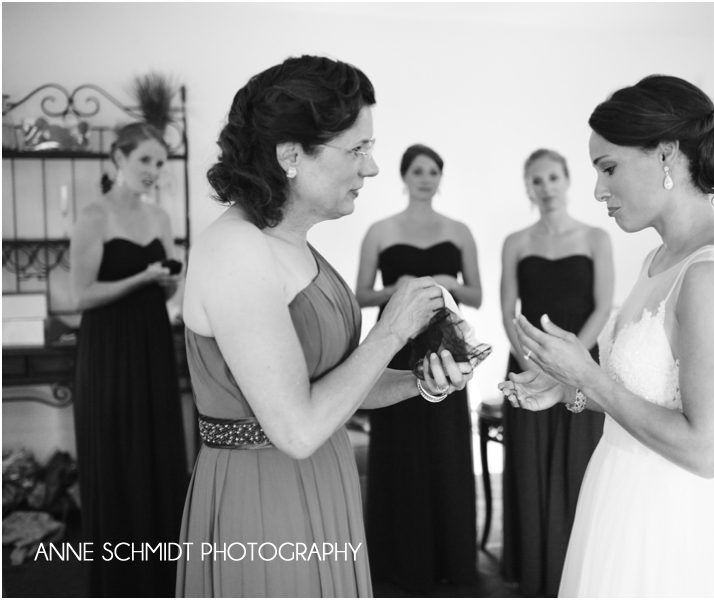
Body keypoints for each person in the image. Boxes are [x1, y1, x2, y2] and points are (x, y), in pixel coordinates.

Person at [176, 56, 472, 598]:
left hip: (324, 476)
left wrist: (417, 382)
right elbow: (297, 428)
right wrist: (393, 331)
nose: (373, 167)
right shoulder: (236, 250)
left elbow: (330, 388)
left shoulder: (291, 241)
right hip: (265, 499)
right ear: (291, 154)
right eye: (357, 149)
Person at [500, 75, 714, 597]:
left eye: (609, 168)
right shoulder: (657, 260)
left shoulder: (712, 274)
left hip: (669, 517)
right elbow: (646, 396)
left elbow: (705, 449)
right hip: (618, 488)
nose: (598, 189)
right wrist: (568, 387)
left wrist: (590, 379)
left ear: (666, 155)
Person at [355, 143, 481, 593]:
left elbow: (477, 295)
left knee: (446, 450)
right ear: (404, 177)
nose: (426, 178)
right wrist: (399, 288)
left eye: (433, 171)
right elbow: (360, 295)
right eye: (418, 170)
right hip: (395, 348)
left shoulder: (459, 231)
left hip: (446, 348)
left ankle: (452, 562)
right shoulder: (380, 231)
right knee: (399, 449)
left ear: (439, 178)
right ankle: (397, 562)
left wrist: (448, 284)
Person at [70, 121, 188, 597]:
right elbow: (82, 294)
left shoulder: (160, 217)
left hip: (152, 341)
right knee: (117, 449)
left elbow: (171, 286)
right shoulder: (93, 215)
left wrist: (167, 281)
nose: (154, 171)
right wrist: (141, 278)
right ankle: (119, 579)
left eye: (160, 163)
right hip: (108, 347)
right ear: (118, 159)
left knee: (158, 445)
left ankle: (162, 576)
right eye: (145, 160)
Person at [499, 148, 613, 596]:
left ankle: (577, 569)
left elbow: (603, 307)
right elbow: (509, 311)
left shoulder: (595, 238)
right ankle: (535, 572)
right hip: (527, 365)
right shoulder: (516, 241)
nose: (545, 187)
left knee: (581, 468)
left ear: (567, 180)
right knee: (529, 468)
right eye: (536, 181)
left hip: (584, 367)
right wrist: (538, 367)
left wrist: (568, 365)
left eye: (552, 178)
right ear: (528, 187)